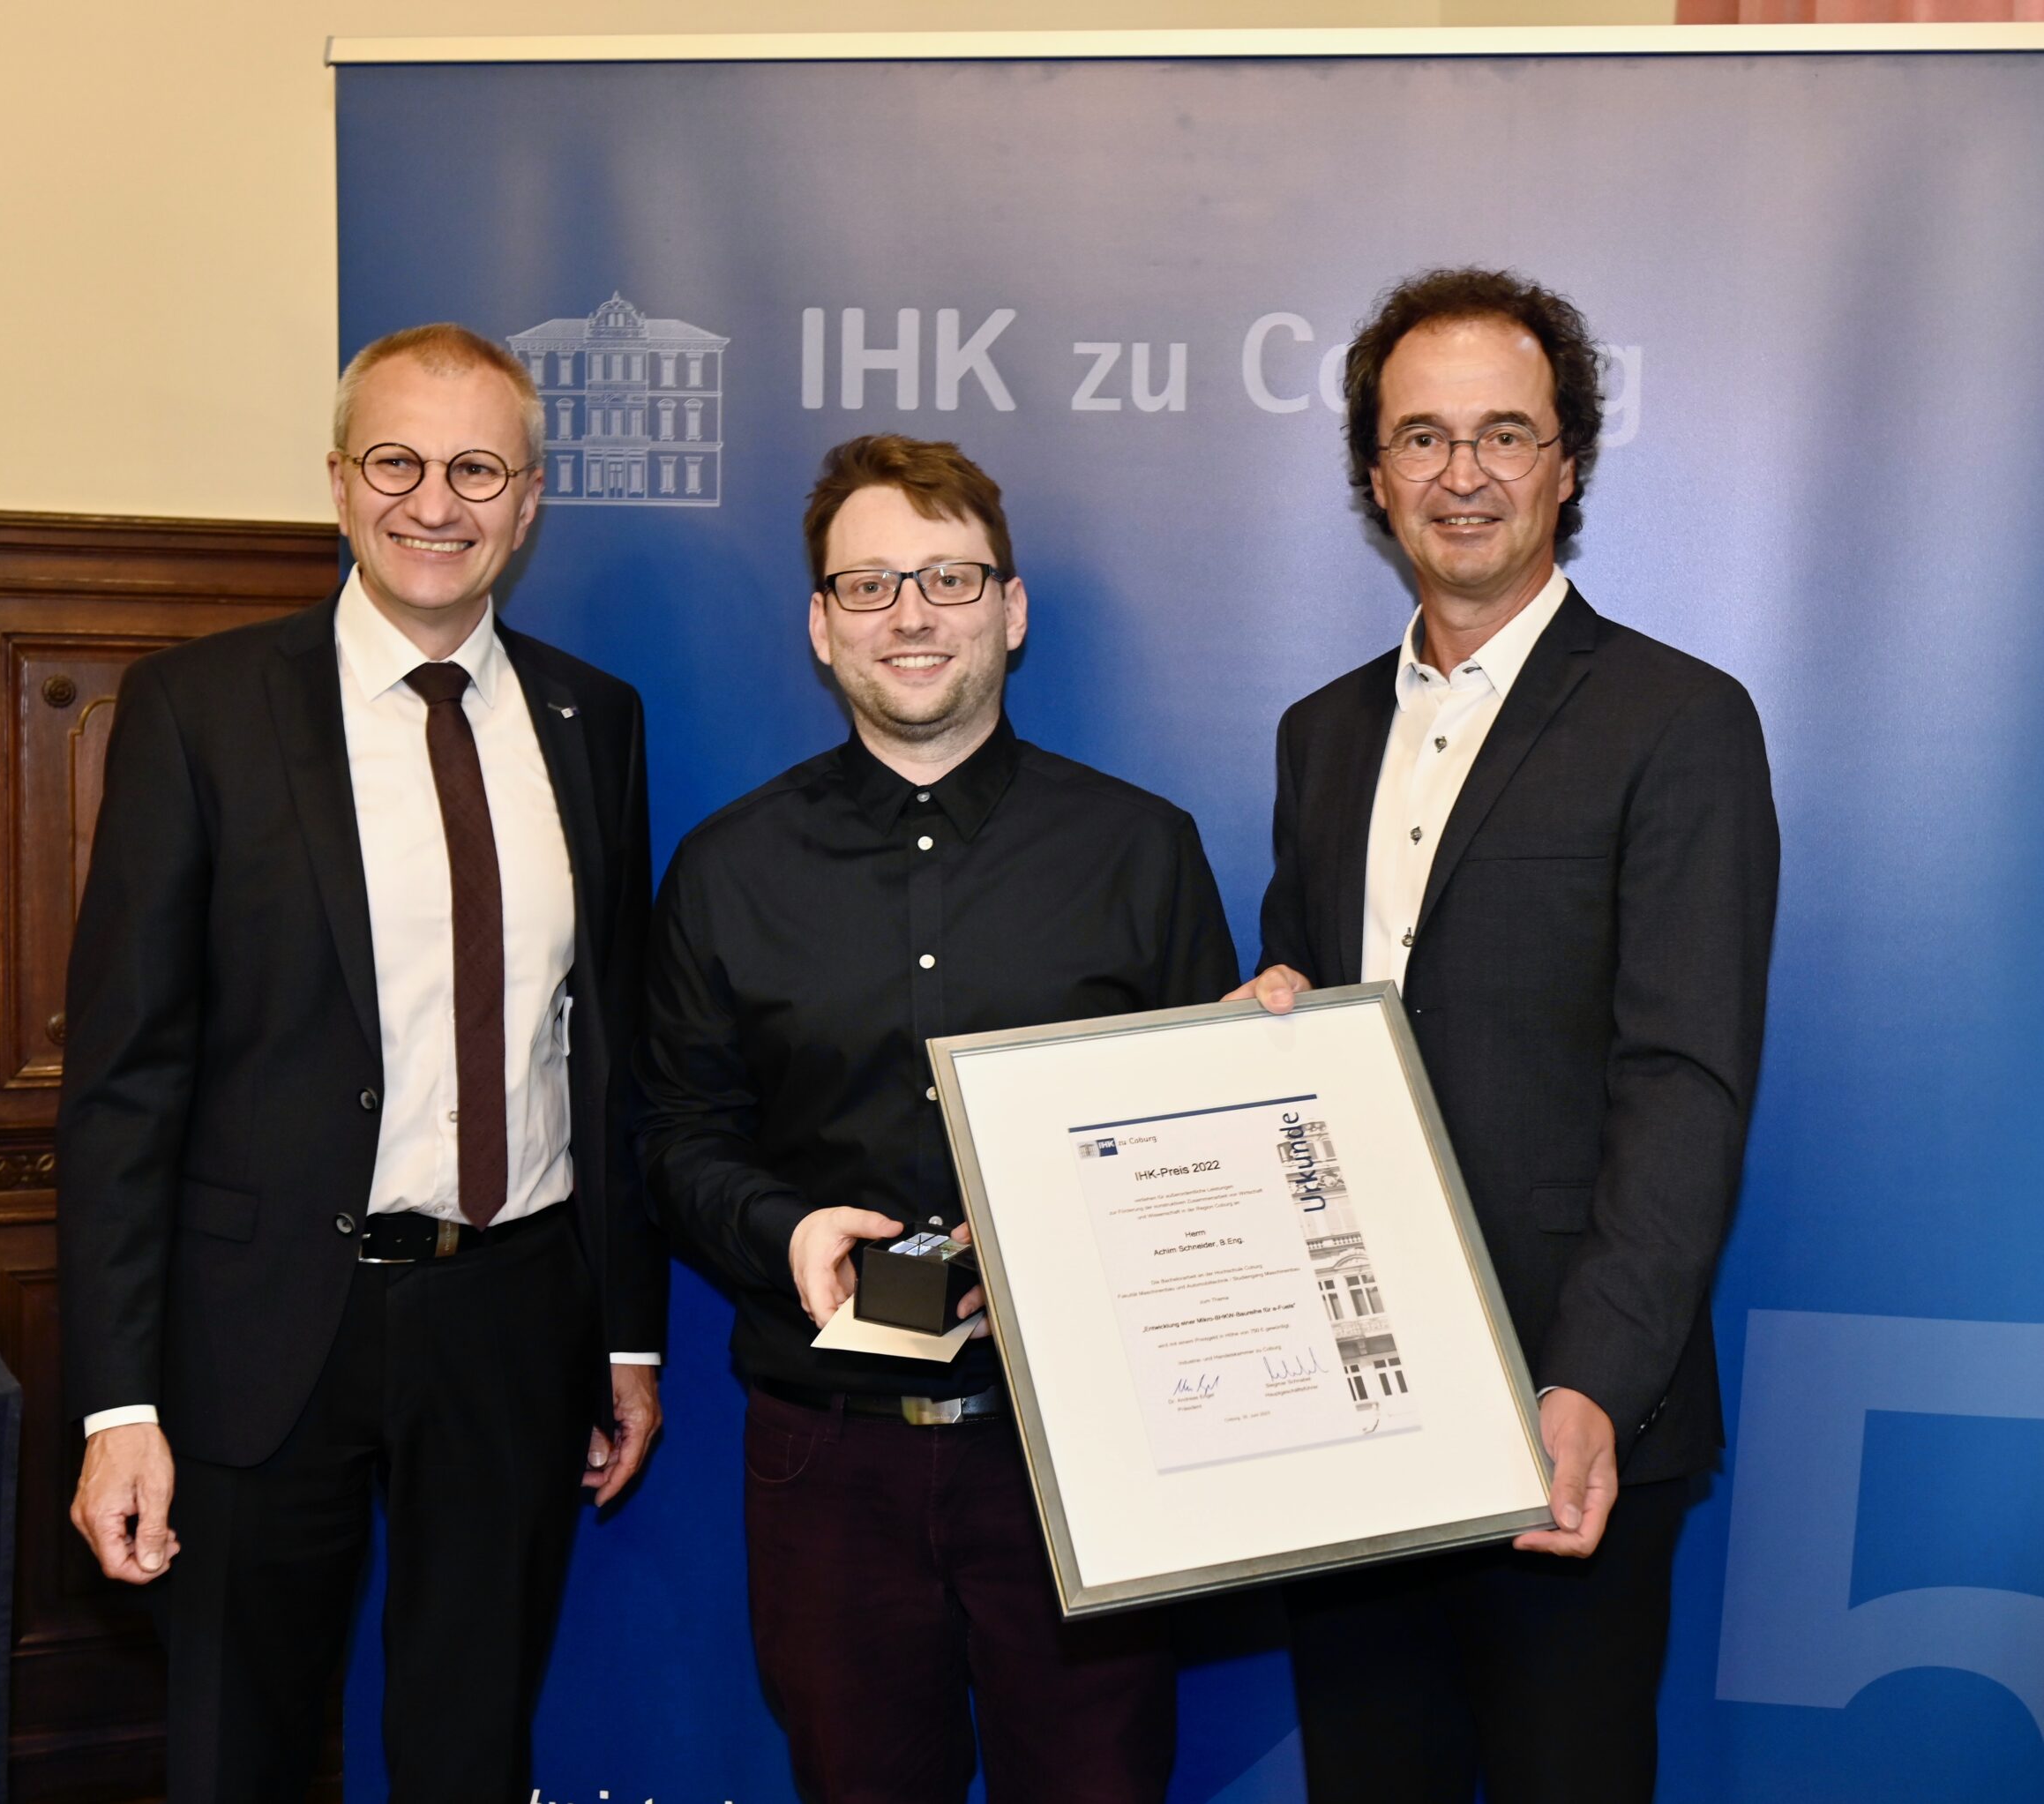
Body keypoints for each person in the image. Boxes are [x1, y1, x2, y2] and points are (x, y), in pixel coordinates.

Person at [56, 323, 667, 1803]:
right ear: (338, 484)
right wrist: (116, 1403)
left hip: (511, 1315)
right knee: (241, 1746)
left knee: (472, 1743)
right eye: (395, 461)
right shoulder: (200, 711)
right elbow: (127, 1076)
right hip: (261, 1327)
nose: (432, 502)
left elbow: (614, 1052)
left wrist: (627, 1333)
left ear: (529, 501)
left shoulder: (594, 721)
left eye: (476, 468)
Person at [1234, 268, 1778, 1803]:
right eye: (1420, 436)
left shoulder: (1681, 721)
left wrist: (1591, 1381)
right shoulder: (1320, 731)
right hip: (1348, 1409)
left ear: (1570, 460)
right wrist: (1265, 1018)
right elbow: (1313, 997)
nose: (1461, 473)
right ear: (1372, 473)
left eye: (1503, 433)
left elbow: (1685, 1083)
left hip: (1568, 1409)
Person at [638, 434, 1237, 1802]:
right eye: (870, 584)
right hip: (826, 1456)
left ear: (1010, 611)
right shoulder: (727, 868)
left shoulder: (1141, 851)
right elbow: (674, 1134)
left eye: (949, 578)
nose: (911, 614)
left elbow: (1202, 1145)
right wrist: (782, 1228)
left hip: (1076, 1454)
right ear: (820, 625)